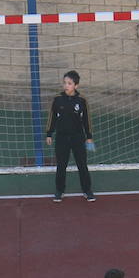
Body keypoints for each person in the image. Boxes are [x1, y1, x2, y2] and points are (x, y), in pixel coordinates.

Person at [44, 70, 95, 202]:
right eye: (65, 83)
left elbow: (87, 120)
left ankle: (87, 190)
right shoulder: (57, 100)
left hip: (78, 137)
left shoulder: (82, 100)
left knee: (82, 164)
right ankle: (59, 191)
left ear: (76, 86)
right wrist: (49, 133)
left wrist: (89, 136)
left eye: (69, 83)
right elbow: (52, 118)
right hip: (61, 138)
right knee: (61, 165)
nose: (66, 86)